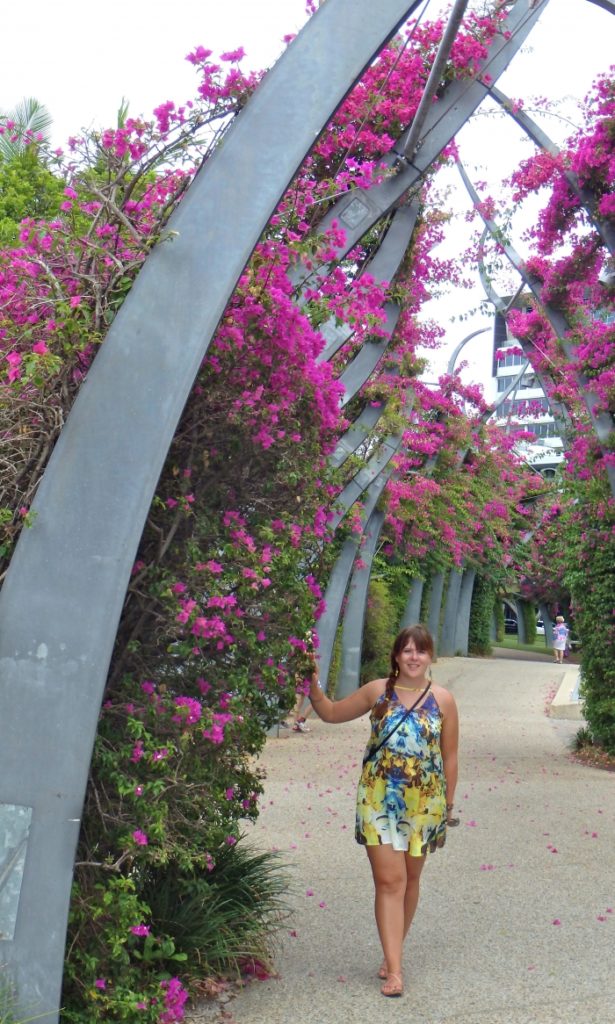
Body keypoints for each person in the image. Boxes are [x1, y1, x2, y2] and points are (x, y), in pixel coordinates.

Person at [307, 624, 459, 998]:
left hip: (425, 803)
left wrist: (448, 806)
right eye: (406, 650)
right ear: (395, 655)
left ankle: (392, 952)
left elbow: (450, 755)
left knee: (410, 880)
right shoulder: (378, 691)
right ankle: (395, 970)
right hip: (379, 800)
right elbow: (329, 712)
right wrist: (310, 680)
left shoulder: (443, 699)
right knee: (390, 882)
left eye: (420, 651)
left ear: (429, 657)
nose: (413, 657)